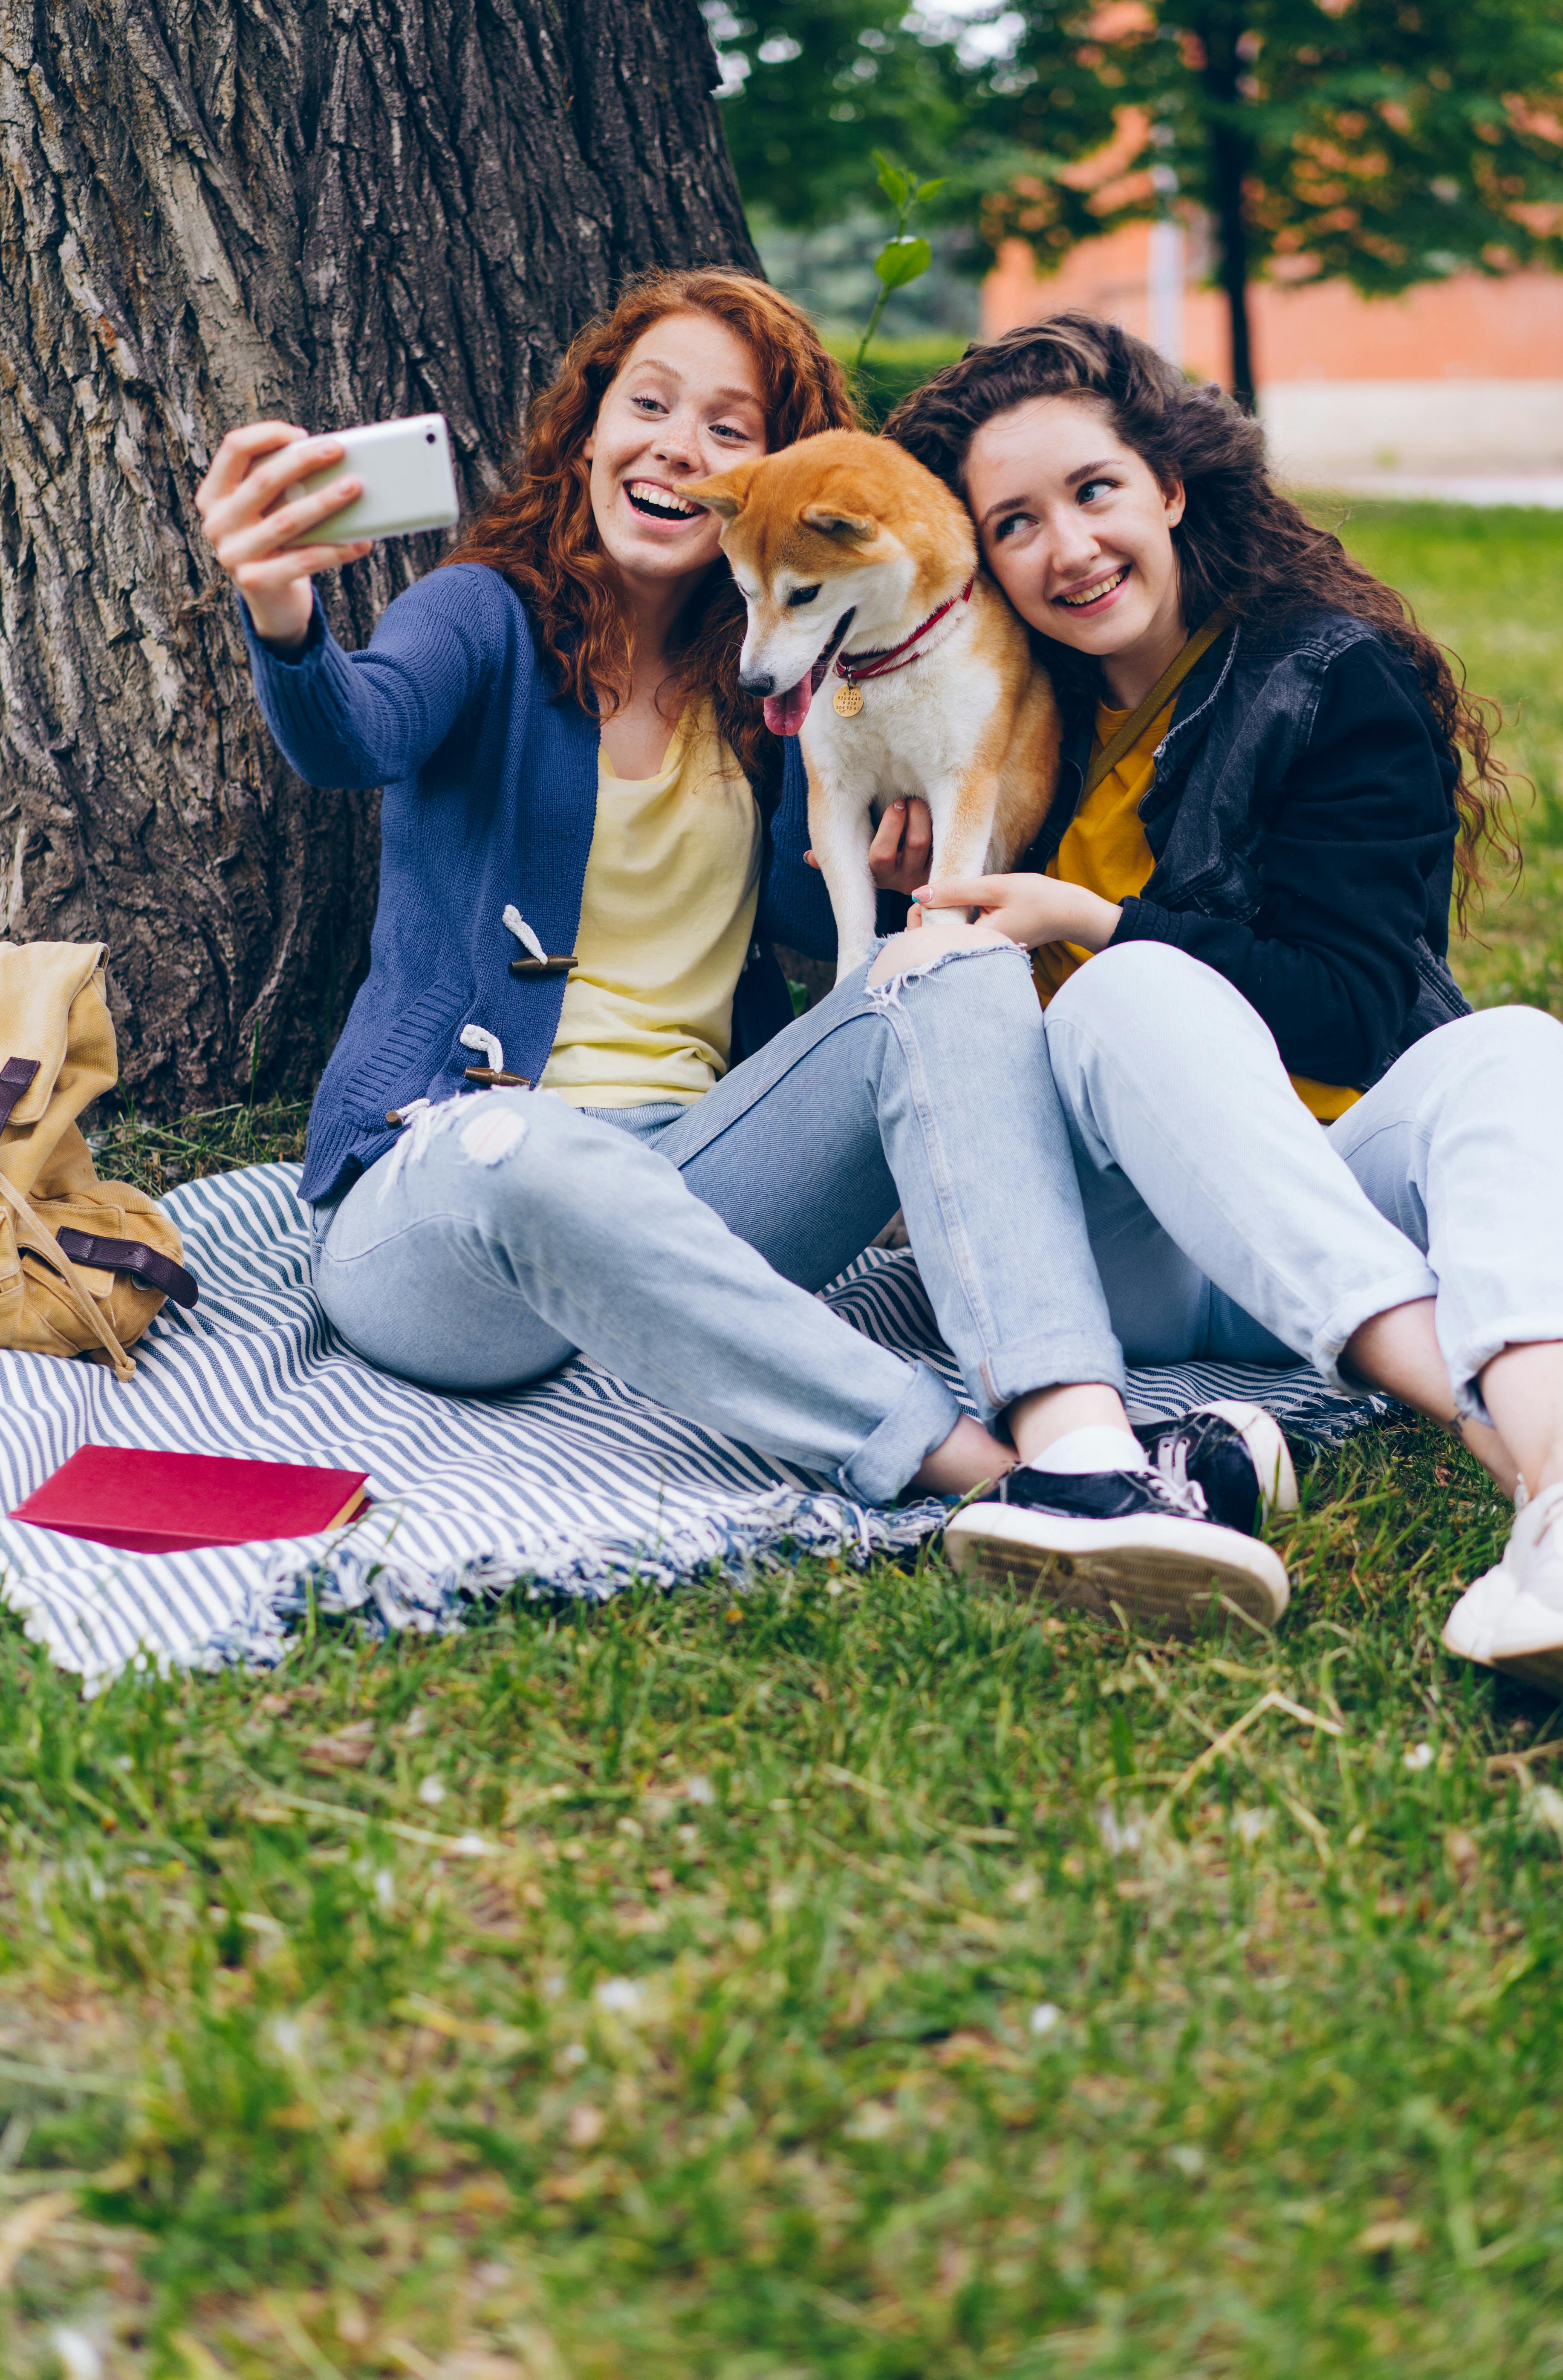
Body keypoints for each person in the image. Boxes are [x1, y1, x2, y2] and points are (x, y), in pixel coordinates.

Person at [193, 270, 1291, 1629]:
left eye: (728, 427)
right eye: (647, 405)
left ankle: (1082, 1448)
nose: (678, 447)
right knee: (526, 1150)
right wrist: (287, 614)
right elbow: (356, 729)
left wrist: (891, 879)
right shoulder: (488, 615)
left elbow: (805, 922)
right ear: (588, 432)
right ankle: (975, 1472)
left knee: (950, 964)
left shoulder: (776, 675)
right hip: (451, 1203)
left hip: (692, 1170)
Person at [886, 312, 1563, 1725]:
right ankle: (1529, 1463)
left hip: (1321, 1187)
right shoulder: (1000, 715)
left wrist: (1097, 922)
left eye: (1093, 493)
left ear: (1170, 488)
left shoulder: (1327, 679)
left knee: (1516, 1046)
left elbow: (1359, 1003)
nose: (1067, 549)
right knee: (1127, 1003)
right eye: (1012, 525)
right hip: (1119, 1240)